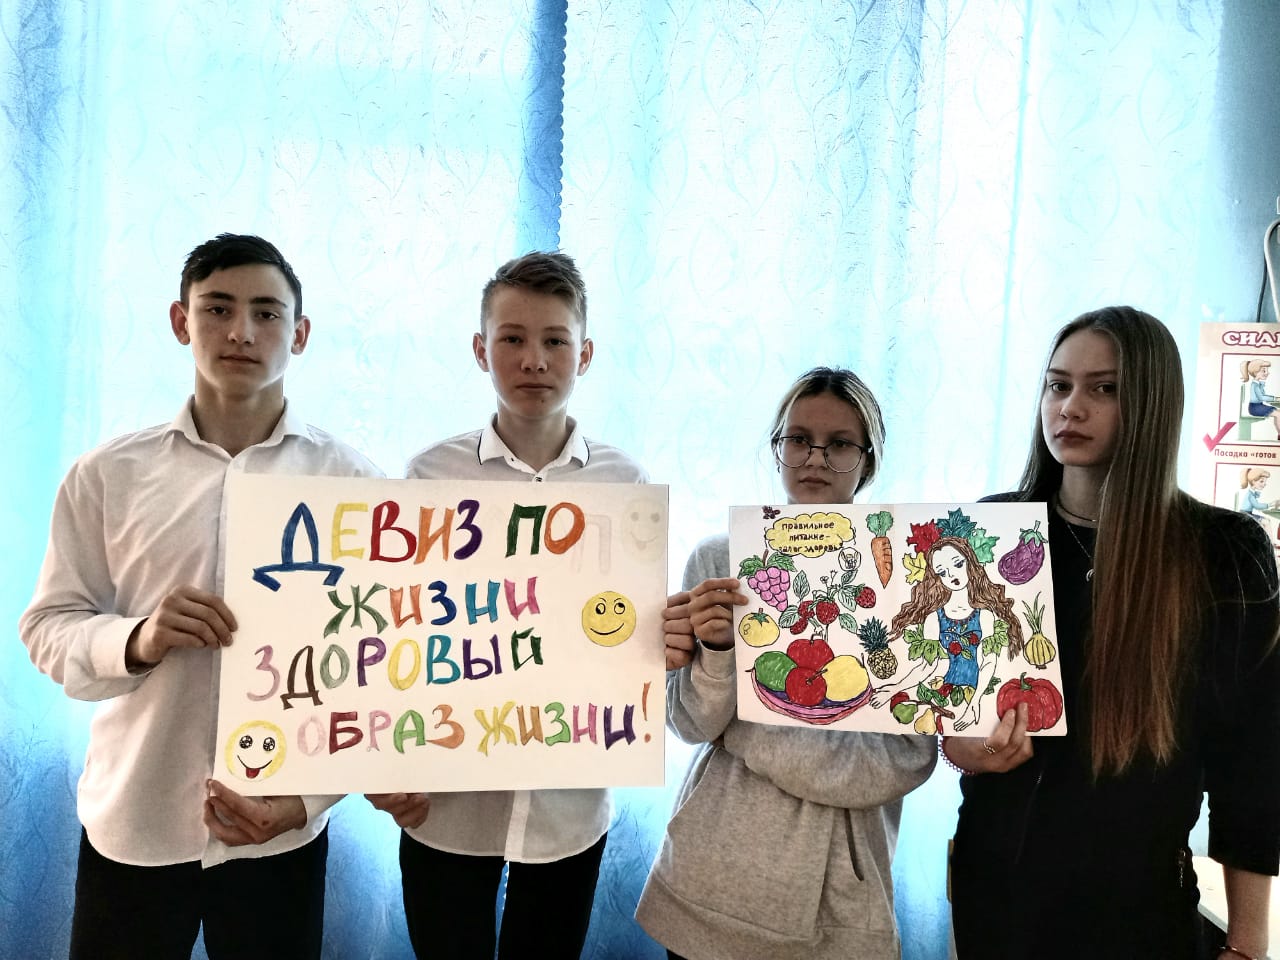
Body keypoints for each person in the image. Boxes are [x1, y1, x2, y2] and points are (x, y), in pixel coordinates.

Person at [19, 234, 383, 959]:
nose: (241, 331)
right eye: (218, 308)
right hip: (136, 822)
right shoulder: (107, 474)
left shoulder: (356, 486)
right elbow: (47, 627)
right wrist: (138, 638)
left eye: (267, 313)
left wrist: (308, 801)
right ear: (180, 321)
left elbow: (381, 668)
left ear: (300, 334)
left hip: (278, 832)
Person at [945, 307, 1280, 960]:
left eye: (1104, 388)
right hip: (996, 892)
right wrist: (966, 750)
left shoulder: (1223, 549)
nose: (1070, 407)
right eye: (1058, 384)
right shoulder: (993, 531)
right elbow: (955, 719)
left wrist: (1248, 942)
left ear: (1152, 404)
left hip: (1137, 911)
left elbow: (1253, 765)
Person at [368, 251, 648, 959]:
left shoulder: (626, 485)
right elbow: (394, 630)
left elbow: (627, 632)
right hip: (445, 803)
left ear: (585, 354)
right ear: (480, 349)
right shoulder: (429, 477)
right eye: (512, 338)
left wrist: (660, 642)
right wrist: (383, 759)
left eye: (555, 340)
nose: (534, 360)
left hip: (569, 806)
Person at [635, 367, 937, 960]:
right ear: (778, 447)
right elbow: (691, 724)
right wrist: (719, 655)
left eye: (839, 444)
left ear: (867, 461)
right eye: (798, 439)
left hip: (839, 899)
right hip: (711, 877)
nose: (815, 458)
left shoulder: (906, 575)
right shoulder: (719, 560)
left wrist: (747, 731)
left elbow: (905, 759)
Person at [870, 536, 1024, 732]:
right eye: (942, 572)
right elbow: (927, 666)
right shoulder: (934, 618)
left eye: (958, 564)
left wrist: (975, 703)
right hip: (941, 693)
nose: (951, 575)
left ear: (970, 563)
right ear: (937, 578)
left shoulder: (985, 615)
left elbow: (988, 662)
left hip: (976, 696)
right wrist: (894, 689)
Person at [1241, 359, 1280, 437]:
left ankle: (1279, 433)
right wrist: (1276, 399)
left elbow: (1262, 395)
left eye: (1267, 371)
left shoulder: (1258, 384)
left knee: (1278, 412)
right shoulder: (1255, 385)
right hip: (1255, 408)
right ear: (1256, 373)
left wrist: (1262, 383)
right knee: (1278, 414)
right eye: (1264, 371)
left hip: (1259, 406)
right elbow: (1261, 397)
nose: (1267, 373)